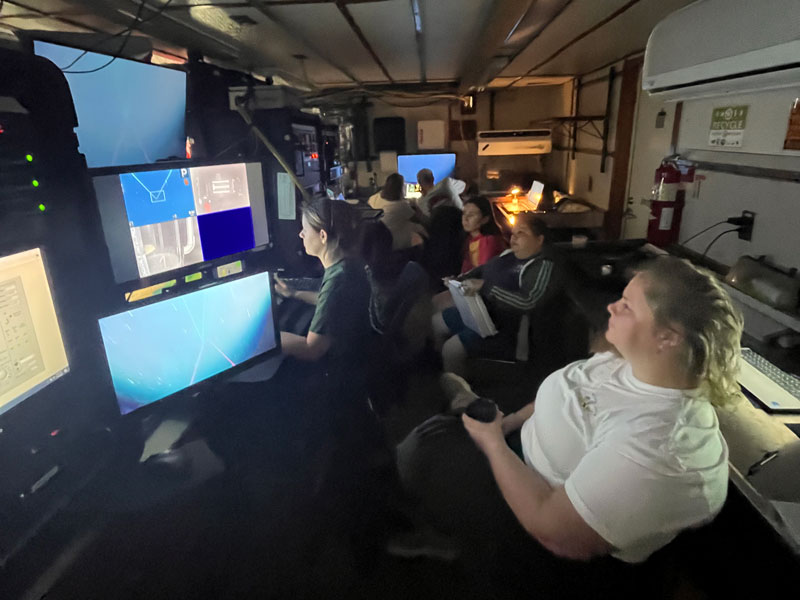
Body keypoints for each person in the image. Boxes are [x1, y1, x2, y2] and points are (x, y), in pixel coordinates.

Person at [395, 257, 743, 595]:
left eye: (627, 306)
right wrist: (510, 422)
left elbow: (556, 533)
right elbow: (572, 391)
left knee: (421, 450)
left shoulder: (663, 446)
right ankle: (443, 522)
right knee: (425, 441)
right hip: (516, 444)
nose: (611, 308)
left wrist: (492, 445)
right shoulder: (628, 362)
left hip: (538, 535)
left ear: (668, 338)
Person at [433, 214, 559, 375]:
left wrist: (487, 287)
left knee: (451, 349)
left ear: (539, 239)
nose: (514, 239)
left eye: (521, 234)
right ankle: (436, 375)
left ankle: (458, 391)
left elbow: (529, 302)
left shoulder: (540, 265)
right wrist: (459, 280)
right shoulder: (508, 254)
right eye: (513, 234)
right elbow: (482, 270)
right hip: (481, 313)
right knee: (436, 322)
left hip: (503, 328)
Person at [275, 195, 371, 367]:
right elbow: (331, 303)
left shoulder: (339, 279)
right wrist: (295, 293)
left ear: (323, 236)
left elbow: (312, 349)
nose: (301, 234)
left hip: (342, 371)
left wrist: (269, 339)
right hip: (358, 355)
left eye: (305, 228)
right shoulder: (349, 263)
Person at [368, 173, 425, 250]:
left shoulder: (374, 198)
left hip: (378, 239)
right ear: (400, 189)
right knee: (420, 233)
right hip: (393, 240)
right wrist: (416, 204)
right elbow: (419, 219)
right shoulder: (402, 206)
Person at [459, 195, 506, 273]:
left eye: (471, 215)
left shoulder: (489, 241)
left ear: (485, 219)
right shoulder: (469, 239)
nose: (465, 219)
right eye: (464, 213)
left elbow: (483, 271)